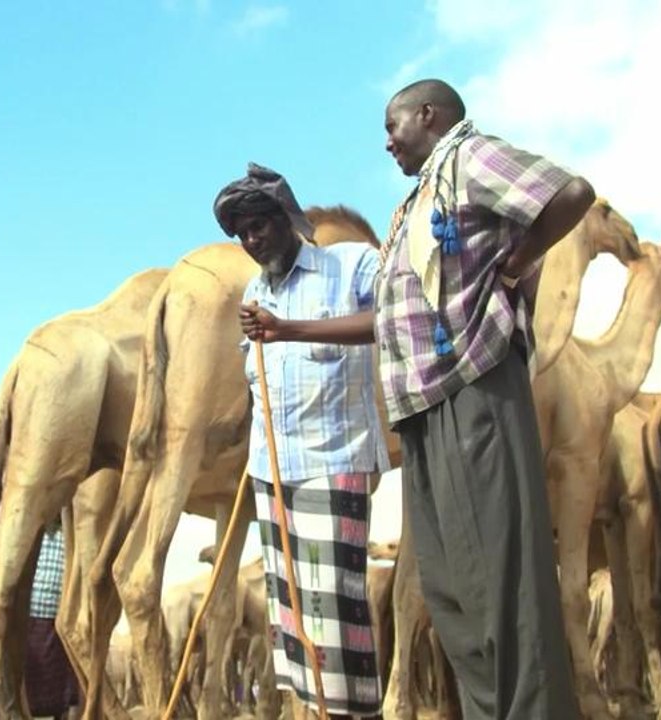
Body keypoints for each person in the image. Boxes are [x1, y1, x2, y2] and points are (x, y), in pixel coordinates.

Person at [241, 79, 597, 718]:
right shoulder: (417, 201)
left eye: (392, 124)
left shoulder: (469, 158)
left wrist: (512, 267)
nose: (385, 140)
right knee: (452, 588)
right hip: (427, 410)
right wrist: (287, 329)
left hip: (474, 391)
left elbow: (568, 193)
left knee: (502, 580)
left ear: (427, 115)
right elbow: (384, 320)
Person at [217, 162, 389, 719]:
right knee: (293, 621)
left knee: (337, 614)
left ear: (287, 217)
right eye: (241, 233)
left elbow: (391, 319)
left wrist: (287, 329)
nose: (250, 240)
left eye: (258, 225)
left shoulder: (351, 265)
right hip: (274, 475)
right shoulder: (253, 290)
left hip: (334, 462)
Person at [23, 517, 79, 719]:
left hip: (57, 616)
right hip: (34, 613)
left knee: (59, 680)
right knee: (35, 673)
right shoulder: (35, 537)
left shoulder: (70, 540)